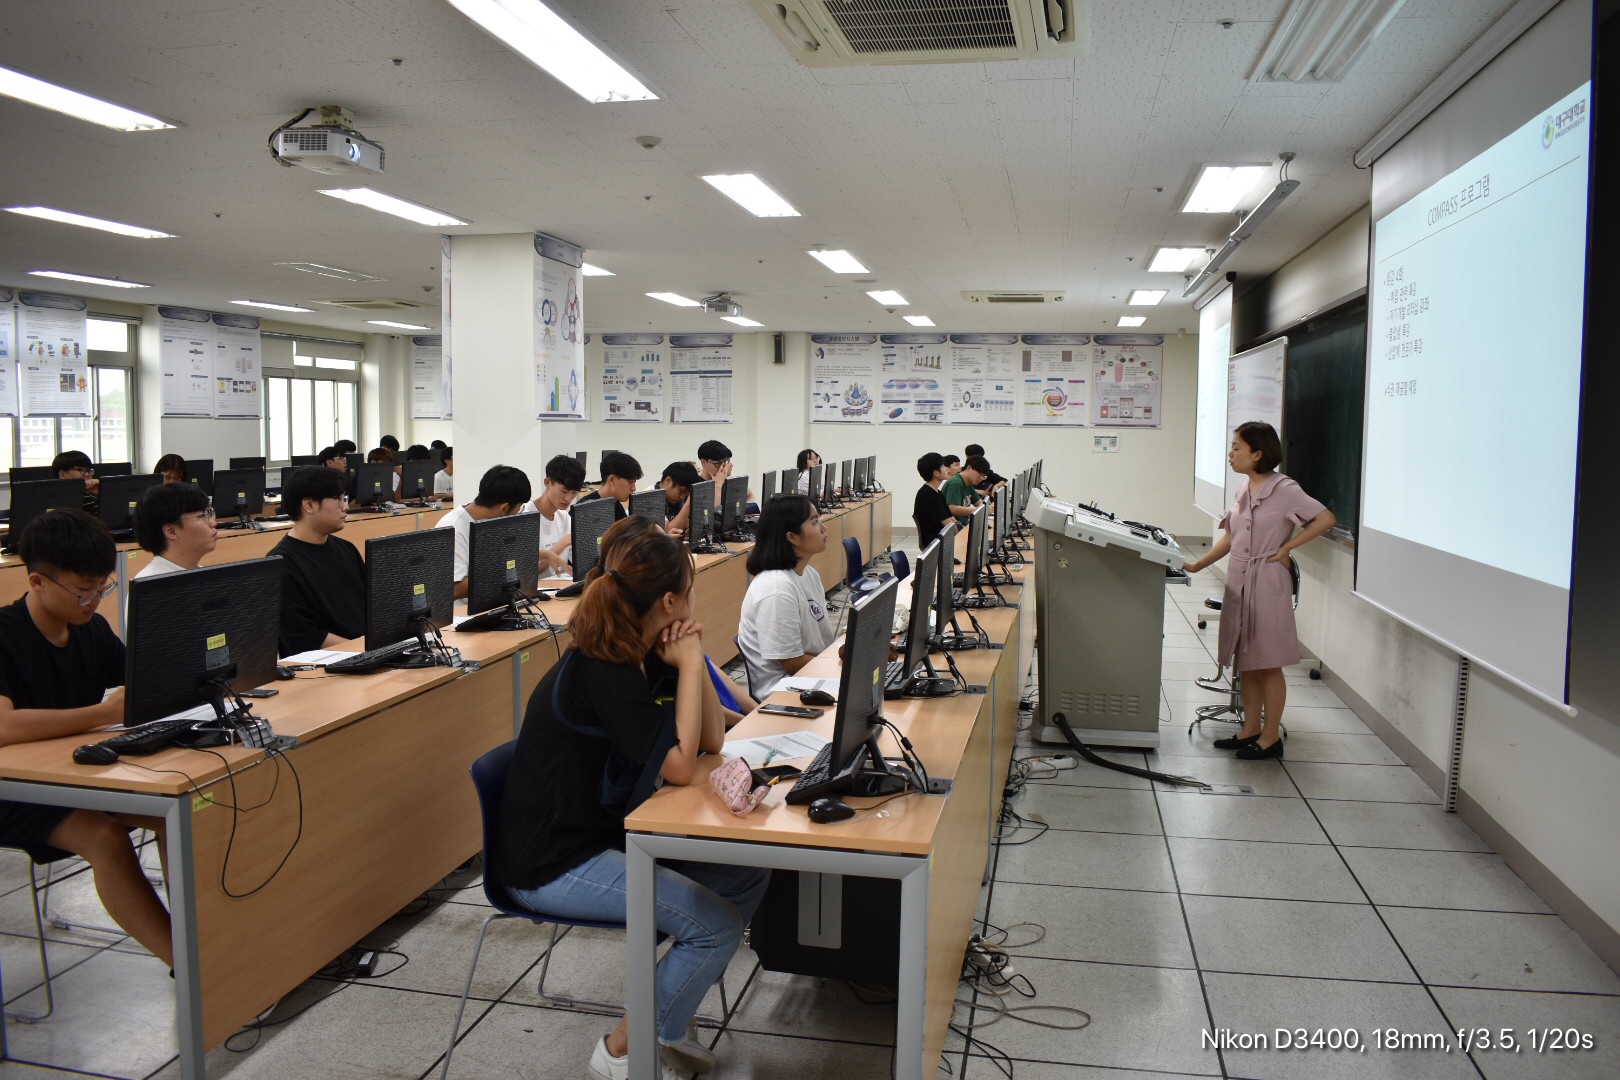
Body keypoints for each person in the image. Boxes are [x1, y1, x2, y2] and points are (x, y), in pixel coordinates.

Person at [488, 519, 768, 1080]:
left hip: (602, 836)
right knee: (715, 926)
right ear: (669, 601)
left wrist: (694, 658)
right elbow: (682, 768)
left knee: (746, 871)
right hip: (551, 862)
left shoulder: (645, 652)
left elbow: (711, 741)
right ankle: (622, 1050)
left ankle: (667, 1017)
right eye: (689, 589)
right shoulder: (604, 669)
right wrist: (691, 661)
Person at [0, 510, 174, 969]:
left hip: (74, 773)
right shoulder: (5, 635)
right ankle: (188, 966)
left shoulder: (89, 628)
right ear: (37, 581)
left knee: (181, 816)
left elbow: (140, 684)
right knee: (105, 837)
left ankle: (209, 940)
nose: (95, 600)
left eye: (103, 587)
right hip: (15, 792)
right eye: (84, 591)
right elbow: (4, 728)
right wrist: (104, 714)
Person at [1183, 422, 1336, 759]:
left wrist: (1287, 547)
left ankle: (1270, 738)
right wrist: (1198, 564)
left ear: (1257, 454)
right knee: (1247, 660)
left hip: (1267, 581)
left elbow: (1326, 519)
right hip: (1239, 580)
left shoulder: (1285, 489)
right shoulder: (1243, 488)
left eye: (1237, 447)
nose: (1230, 453)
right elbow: (1231, 537)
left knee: (1268, 662)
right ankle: (1249, 729)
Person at [736, 494, 834, 694]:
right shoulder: (776, 589)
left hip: (813, 674)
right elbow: (792, 663)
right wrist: (841, 666)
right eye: (815, 522)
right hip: (786, 690)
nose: (824, 528)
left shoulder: (808, 573)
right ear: (792, 537)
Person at [269, 466, 366, 655]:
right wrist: (364, 650)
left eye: (345, 499)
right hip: (326, 663)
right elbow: (304, 636)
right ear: (309, 505)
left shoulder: (347, 549)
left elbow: (370, 606)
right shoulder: (281, 564)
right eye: (338, 500)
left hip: (364, 652)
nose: (346, 507)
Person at [436, 465, 532, 599]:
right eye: (519, 508)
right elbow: (455, 589)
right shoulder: (453, 528)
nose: (518, 513)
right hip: (465, 610)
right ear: (504, 508)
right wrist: (506, 576)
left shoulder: (492, 521)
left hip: (496, 602)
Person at [133, 482, 217, 578]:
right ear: (171, 531)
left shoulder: (204, 577)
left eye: (209, 513)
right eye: (202, 515)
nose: (213, 523)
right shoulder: (150, 583)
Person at [528, 455, 582, 576]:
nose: (568, 498)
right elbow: (526, 573)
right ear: (547, 483)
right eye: (564, 491)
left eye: (574, 493)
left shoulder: (564, 517)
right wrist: (561, 544)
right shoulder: (526, 517)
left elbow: (580, 560)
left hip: (560, 584)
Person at [575, 450, 641, 522]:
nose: (634, 488)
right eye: (630, 482)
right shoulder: (585, 509)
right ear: (612, 480)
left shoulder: (616, 504)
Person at [912, 452, 953, 551]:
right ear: (936, 473)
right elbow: (950, 526)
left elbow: (951, 518)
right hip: (935, 544)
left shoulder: (937, 492)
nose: (947, 469)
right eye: (943, 466)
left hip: (942, 540)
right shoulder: (927, 494)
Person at [658, 460, 700, 537]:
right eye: (681, 491)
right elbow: (667, 531)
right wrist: (688, 505)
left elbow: (688, 523)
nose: (682, 497)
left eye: (687, 493)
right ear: (668, 481)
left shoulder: (675, 498)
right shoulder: (650, 498)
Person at [53, 450, 99, 515]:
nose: (87, 474)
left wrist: (102, 493)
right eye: (80, 470)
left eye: (89, 470)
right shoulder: (51, 500)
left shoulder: (91, 499)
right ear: (63, 474)